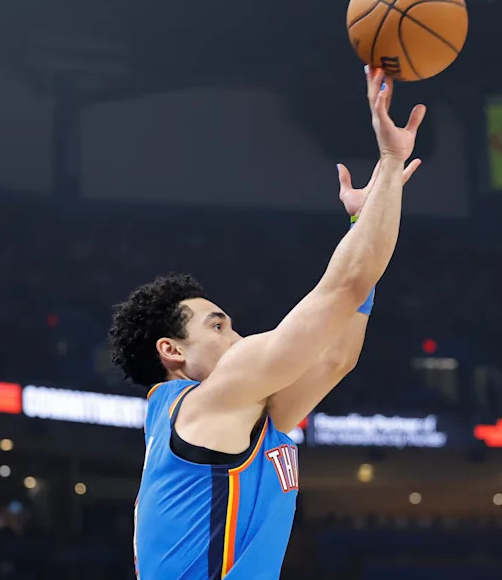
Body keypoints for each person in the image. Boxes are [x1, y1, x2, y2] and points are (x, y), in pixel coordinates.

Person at [111, 66, 425, 579]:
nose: (235, 336)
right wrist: (390, 162)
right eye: (216, 326)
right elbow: (343, 286)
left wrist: (362, 221)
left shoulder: (240, 413)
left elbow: (337, 356)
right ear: (173, 351)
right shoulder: (207, 403)